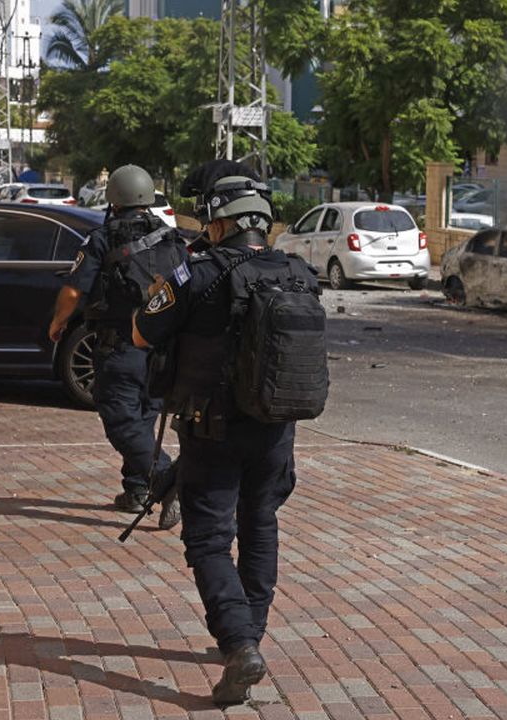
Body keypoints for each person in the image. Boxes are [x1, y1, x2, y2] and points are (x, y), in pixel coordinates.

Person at [132, 160, 316, 706]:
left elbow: (143, 332)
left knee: (208, 540)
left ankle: (238, 646)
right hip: (275, 429)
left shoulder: (197, 274)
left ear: (219, 220)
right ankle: (250, 637)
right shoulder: (297, 273)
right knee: (260, 526)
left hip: (210, 432)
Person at [48, 164, 179, 529]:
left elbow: (74, 290)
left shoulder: (102, 238)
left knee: (121, 421)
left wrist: (58, 324)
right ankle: (137, 489)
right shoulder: (171, 238)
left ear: (114, 200)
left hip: (120, 345)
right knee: (142, 418)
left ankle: (167, 478)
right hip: (161, 348)